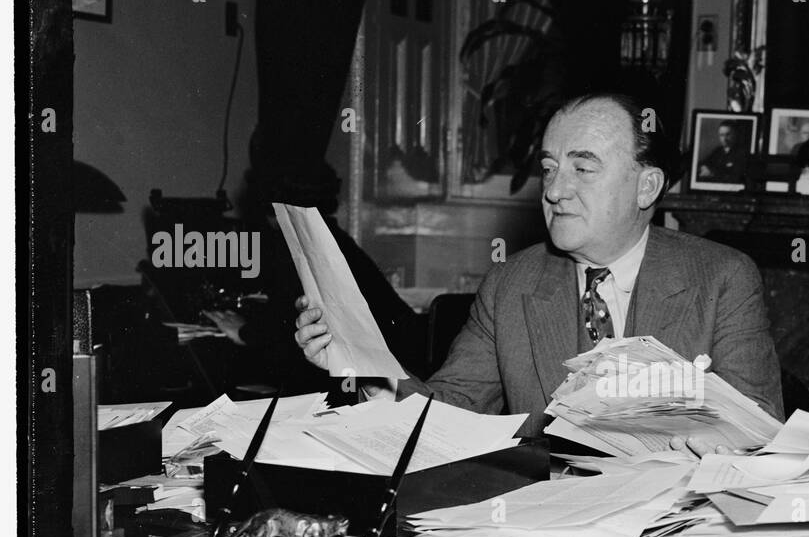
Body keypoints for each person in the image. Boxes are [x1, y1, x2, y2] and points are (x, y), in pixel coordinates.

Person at [294, 93, 783, 452]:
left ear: (646, 187)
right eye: (549, 168)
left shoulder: (722, 278)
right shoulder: (513, 282)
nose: (555, 190)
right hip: (539, 531)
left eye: (583, 169)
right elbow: (451, 410)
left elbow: (760, 432)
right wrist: (372, 370)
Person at [696, 119, 750, 183]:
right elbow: (703, 162)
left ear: (735, 134)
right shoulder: (718, 151)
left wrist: (712, 173)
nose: (724, 139)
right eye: (721, 135)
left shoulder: (741, 152)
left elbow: (735, 175)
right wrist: (704, 167)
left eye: (728, 135)